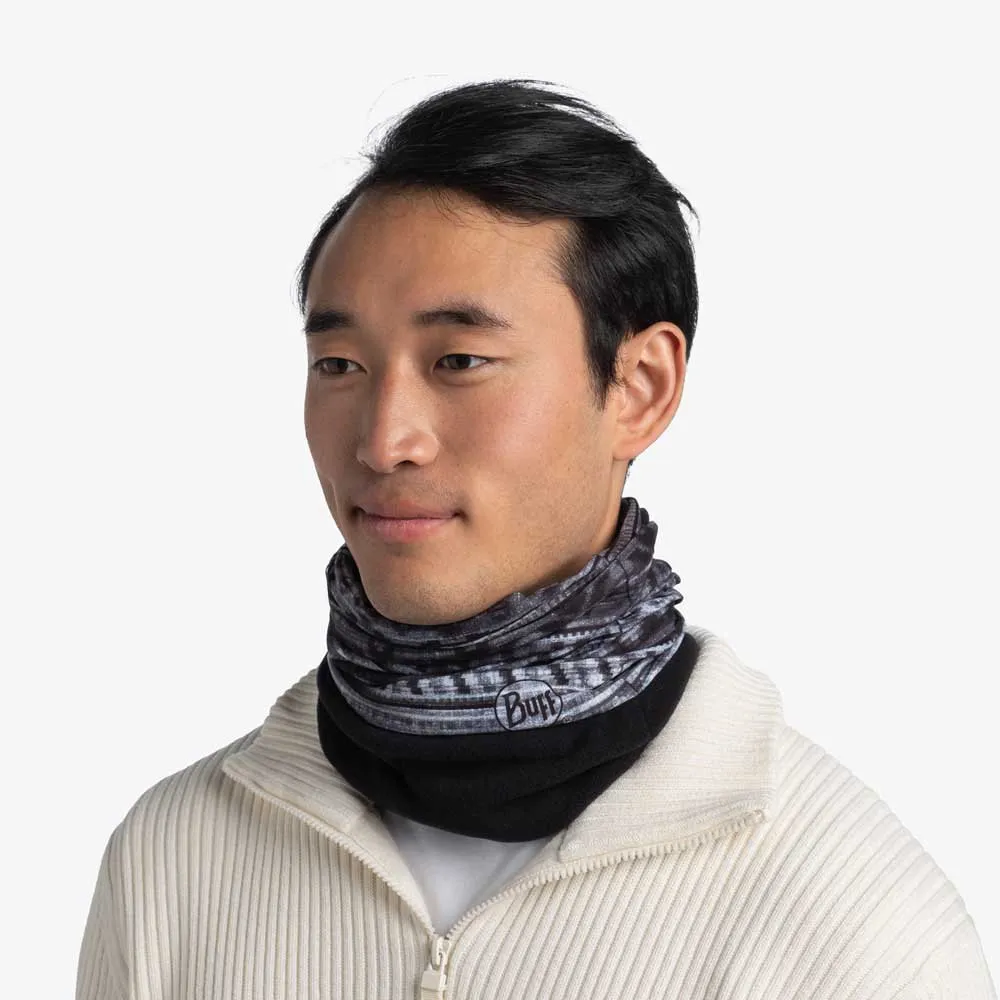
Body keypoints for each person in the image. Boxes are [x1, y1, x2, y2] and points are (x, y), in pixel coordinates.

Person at [76, 78, 996, 1000]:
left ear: (639, 388)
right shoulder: (172, 861)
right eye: (340, 364)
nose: (385, 441)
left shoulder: (860, 930)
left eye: (460, 361)